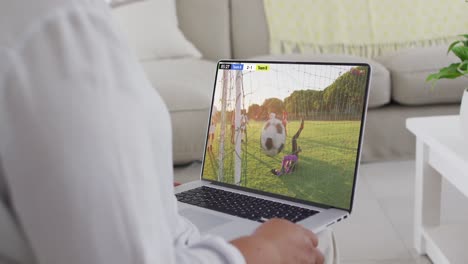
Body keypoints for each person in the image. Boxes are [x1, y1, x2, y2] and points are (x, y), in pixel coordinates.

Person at [0, 1, 336, 263]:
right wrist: (263, 252)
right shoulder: (60, 23)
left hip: (173, 228)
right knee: (319, 243)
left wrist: (151, 190)